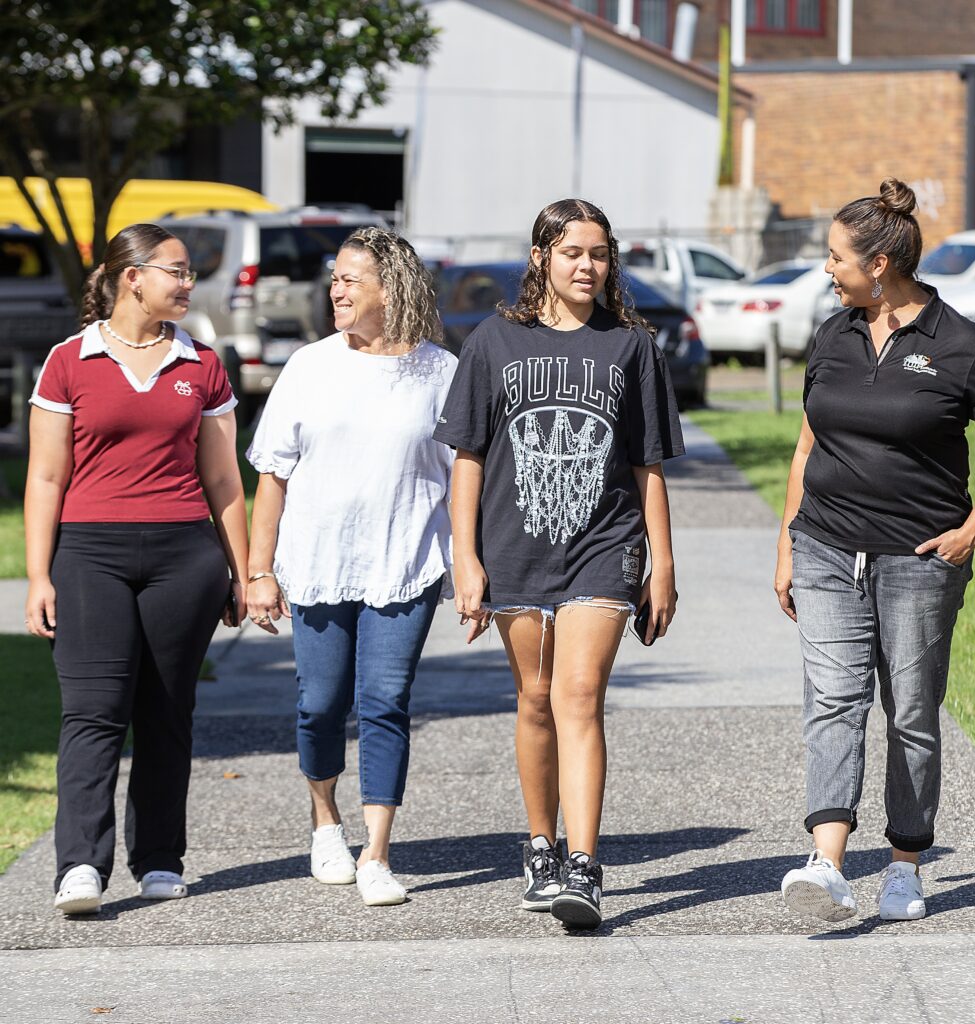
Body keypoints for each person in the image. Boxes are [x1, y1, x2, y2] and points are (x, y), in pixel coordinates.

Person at [775, 179, 975, 923]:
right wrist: (788, 540)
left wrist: (971, 531)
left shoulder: (964, 345)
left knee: (911, 710)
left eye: (835, 257)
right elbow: (807, 442)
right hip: (824, 547)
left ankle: (907, 862)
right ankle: (828, 862)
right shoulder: (832, 334)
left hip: (919, 559)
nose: (827, 270)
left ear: (879, 264)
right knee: (832, 700)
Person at [434, 198, 684, 929]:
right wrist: (466, 559)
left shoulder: (631, 345)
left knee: (579, 695)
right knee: (535, 698)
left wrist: (661, 562)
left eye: (601, 254)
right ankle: (539, 846)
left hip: (605, 546)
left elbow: (648, 464)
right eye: (574, 252)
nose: (589, 266)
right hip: (515, 547)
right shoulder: (492, 343)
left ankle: (583, 865)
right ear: (541, 255)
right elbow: (468, 460)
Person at [24, 223, 249, 915]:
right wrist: (39, 576)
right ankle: (80, 867)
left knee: (165, 712)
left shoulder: (202, 363)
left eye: (188, 273)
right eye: (177, 272)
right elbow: (45, 476)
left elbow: (224, 480)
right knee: (93, 712)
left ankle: (159, 858)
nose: (188, 283)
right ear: (132, 277)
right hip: (90, 554)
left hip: (186, 557)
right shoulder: (70, 360)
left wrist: (244, 572)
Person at [246, 228, 456, 907]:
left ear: (391, 289)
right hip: (317, 562)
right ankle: (324, 818)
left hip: (405, 562)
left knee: (385, 703)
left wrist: (472, 569)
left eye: (349, 279)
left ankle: (376, 854)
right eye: (333, 278)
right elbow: (272, 475)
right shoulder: (309, 366)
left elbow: (464, 482)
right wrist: (259, 570)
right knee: (319, 703)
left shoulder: (440, 372)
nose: (334, 289)